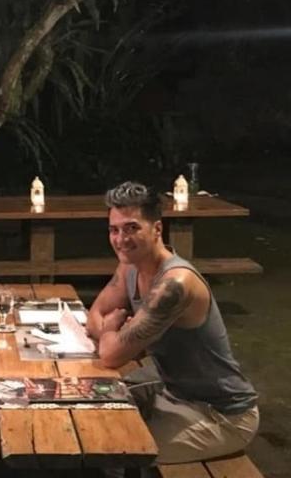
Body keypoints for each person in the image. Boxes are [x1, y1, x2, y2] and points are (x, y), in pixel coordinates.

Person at [87, 181, 258, 465]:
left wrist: (110, 329)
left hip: (221, 414)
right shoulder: (129, 264)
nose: (121, 239)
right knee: (88, 405)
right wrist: (114, 333)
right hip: (171, 389)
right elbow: (95, 313)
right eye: (114, 230)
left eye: (131, 228)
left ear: (157, 229)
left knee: (113, 449)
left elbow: (110, 355)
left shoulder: (175, 284)